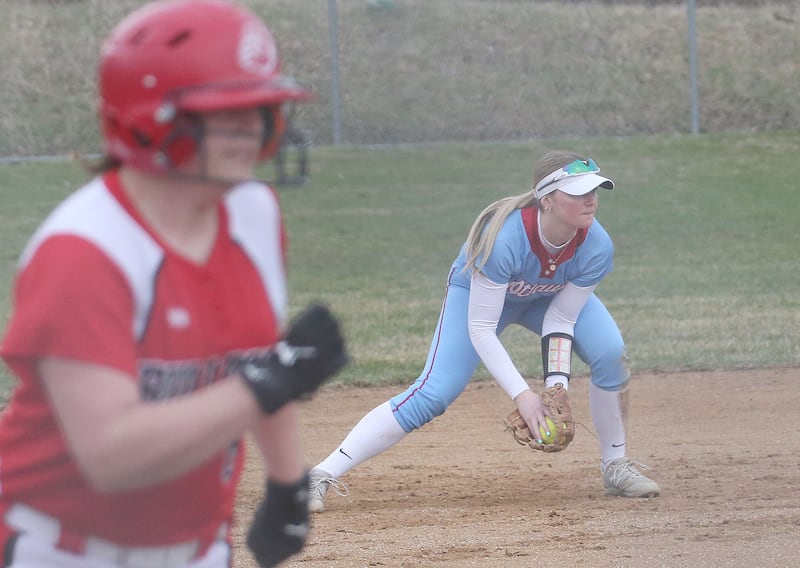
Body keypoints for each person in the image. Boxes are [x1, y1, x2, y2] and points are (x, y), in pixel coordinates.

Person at [0, 1, 347, 567]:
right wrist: (263, 384)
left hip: (197, 545)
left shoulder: (252, 212)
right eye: (225, 113)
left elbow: (259, 358)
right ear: (149, 119)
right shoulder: (84, 250)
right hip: (60, 548)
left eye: (260, 109)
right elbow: (109, 455)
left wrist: (287, 487)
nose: (253, 130)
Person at [308, 150, 661, 513]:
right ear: (549, 199)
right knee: (434, 392)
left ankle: (615, 466)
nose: (591, 200)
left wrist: (557, 386)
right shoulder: (504, 239)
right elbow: (480, 326)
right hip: (477, 298)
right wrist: (523, 396)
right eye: (578, 192)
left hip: (548, 298)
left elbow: (560, 320)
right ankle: (321, 473)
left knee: (611, 353)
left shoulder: (597, 245)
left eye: (595, 190)